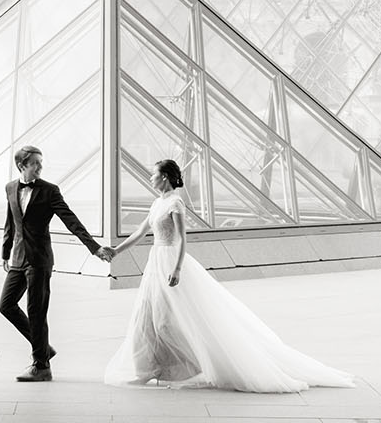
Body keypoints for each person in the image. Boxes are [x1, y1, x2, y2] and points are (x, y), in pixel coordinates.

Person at [104, 159, 356, 392]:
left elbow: (182, 239)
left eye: (154, 175)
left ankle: (190, 364)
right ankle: (150, 368)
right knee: (148, 316)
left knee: (170, 319)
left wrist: (178, 268)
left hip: (169, 260)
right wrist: (116, 251)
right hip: (155, 262)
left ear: (166, 177)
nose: (150, 179)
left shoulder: (174, 203)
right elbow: (139, 232)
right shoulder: (157, 203)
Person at [0, 145, 113, 381]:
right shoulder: (10, 187)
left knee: (37, 311)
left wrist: (94, 248)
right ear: (22, 166)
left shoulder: (50, 191)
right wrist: (5, 252)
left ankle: (41, 366)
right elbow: (11, 221)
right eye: (35, 163)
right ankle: (43, 348)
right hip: (19, 258)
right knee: (6, 305)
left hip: (40, 260)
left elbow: (71, 220)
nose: (40, 167)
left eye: (41, 162)